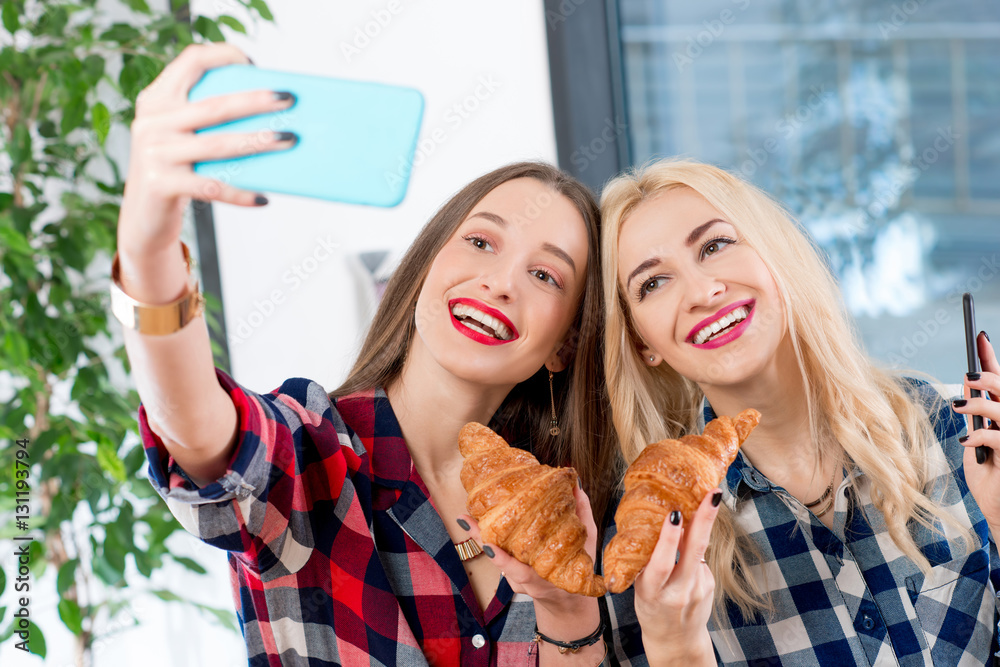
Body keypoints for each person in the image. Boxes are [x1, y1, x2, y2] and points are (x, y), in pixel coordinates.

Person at [114, 43, 620, 666]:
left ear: (565, 346)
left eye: (546, 275)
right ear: (424, 268)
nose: (502, 281)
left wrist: (572, 615)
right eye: (481, 241)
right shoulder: (315, 453)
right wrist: (147, 247)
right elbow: (196, 426)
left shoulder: (581, 508)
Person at [596, 158, 1000, 666]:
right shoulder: (649, 544)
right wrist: (676, 650)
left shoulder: (951, 430)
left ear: (773, 253)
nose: (702, 292)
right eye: (653, 283)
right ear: (641, 341)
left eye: (715, 245)